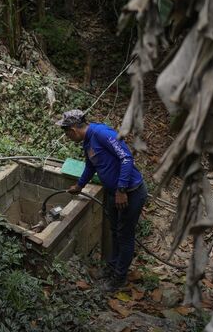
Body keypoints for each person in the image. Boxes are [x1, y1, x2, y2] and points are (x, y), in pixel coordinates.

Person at [56, 109, 147, 292]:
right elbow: (91, 165)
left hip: (131, 192)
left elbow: (126, 158)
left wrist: (121, 189)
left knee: (124, 235)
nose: (67, 137)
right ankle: (111, 269)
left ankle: (119, 278)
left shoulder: (102, 134)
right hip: (114, 193)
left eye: (66, 133)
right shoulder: (87, 141)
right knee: (114, 231)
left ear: (73, 129)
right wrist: (80, 185)